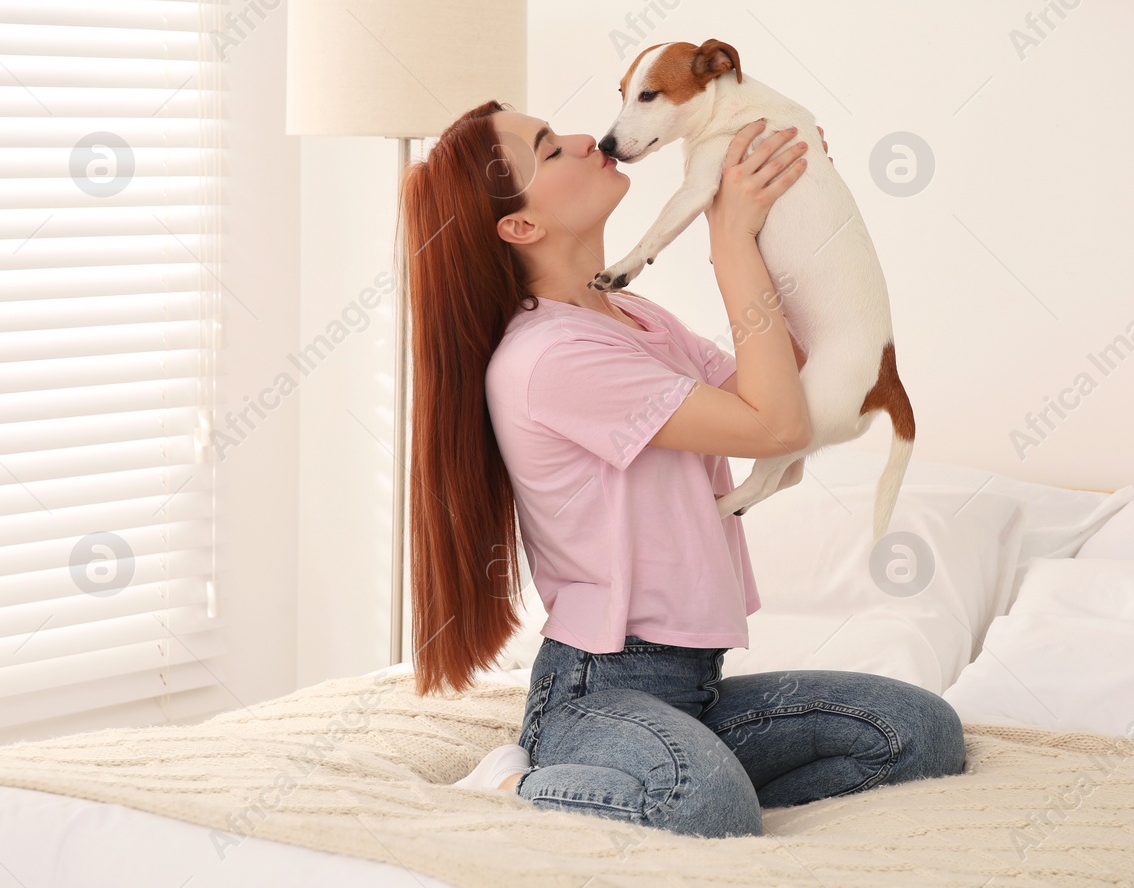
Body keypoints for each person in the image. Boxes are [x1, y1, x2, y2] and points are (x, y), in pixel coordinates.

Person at [398, 100, 965, 838]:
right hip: (598, 687)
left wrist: (783, 209)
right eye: (549, 148)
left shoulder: (637, 320)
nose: (581, 138)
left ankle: (686, 770)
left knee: (919, 731)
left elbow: (789, 380)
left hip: (694, 684)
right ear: (522, 226)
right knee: (705, 807)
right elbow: (777, 427)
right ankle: (520, 781)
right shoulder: (549, 358)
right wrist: (726, 237)